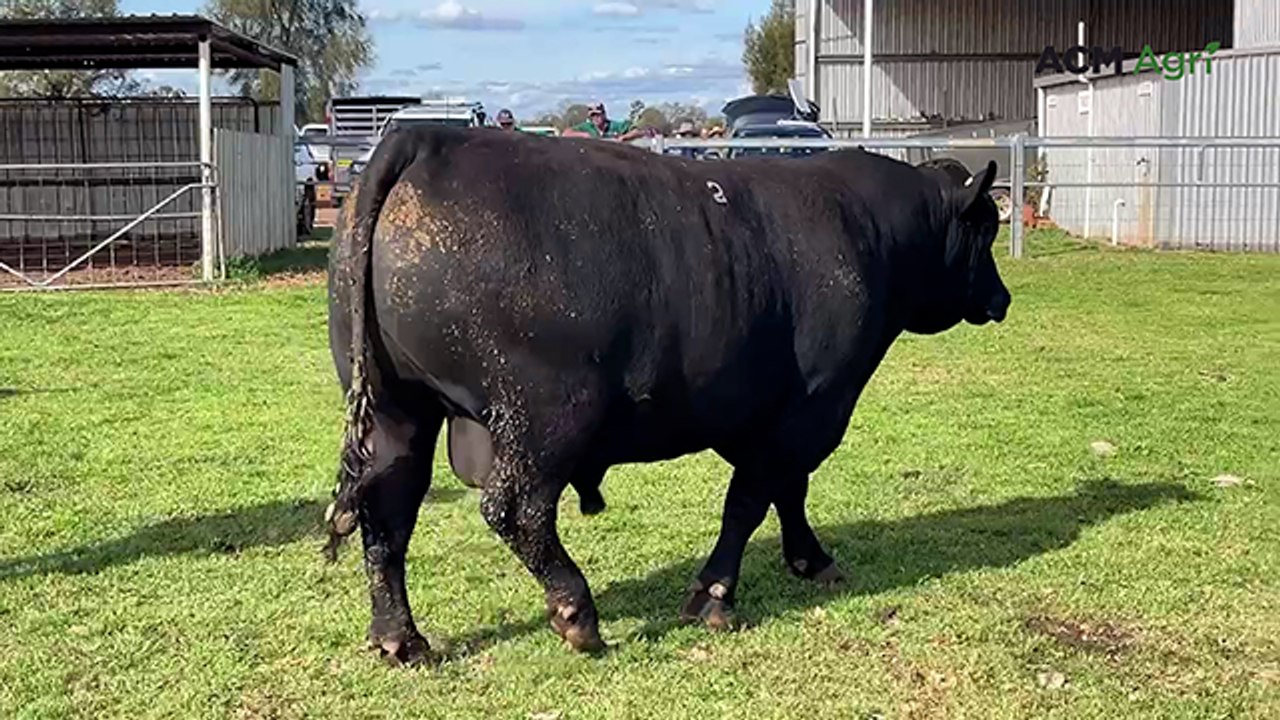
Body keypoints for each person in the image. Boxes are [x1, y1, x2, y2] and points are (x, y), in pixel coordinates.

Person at [563, 102, 645, 141]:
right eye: (593, 115)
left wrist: (624, 137)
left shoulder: (615, 125)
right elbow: (566, 133)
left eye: (598, 115)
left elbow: (638, 131)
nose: (596, 118)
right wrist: (584, 135)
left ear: (604, 114)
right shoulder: (587, 127)